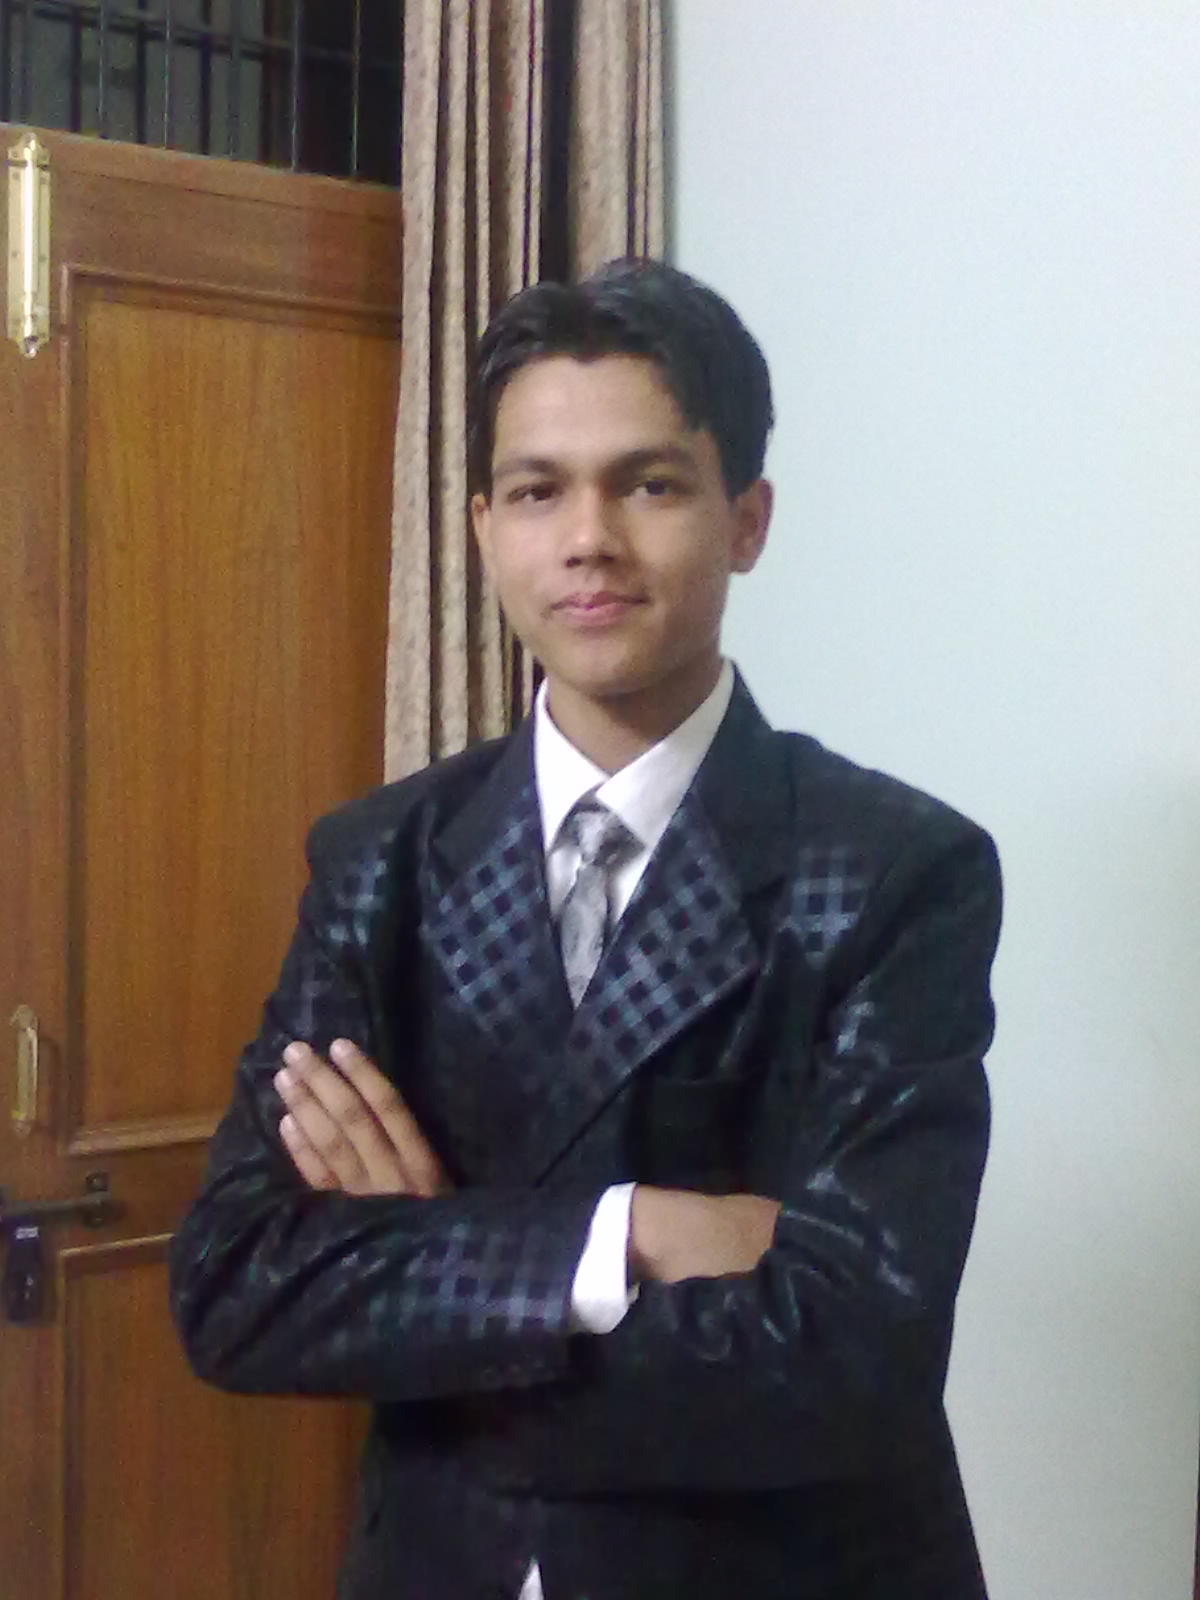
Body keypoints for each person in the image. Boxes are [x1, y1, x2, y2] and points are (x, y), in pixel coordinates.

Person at [170, 258, 1002, 1600]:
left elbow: (858, 1352)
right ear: (482, 526)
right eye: (537, 490)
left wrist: (433, 1267)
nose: (588, 538)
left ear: (747, 519)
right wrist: (628, 1237)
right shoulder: (380, 862)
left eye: (649, 484)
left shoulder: (895, 870)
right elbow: (236, 1286)